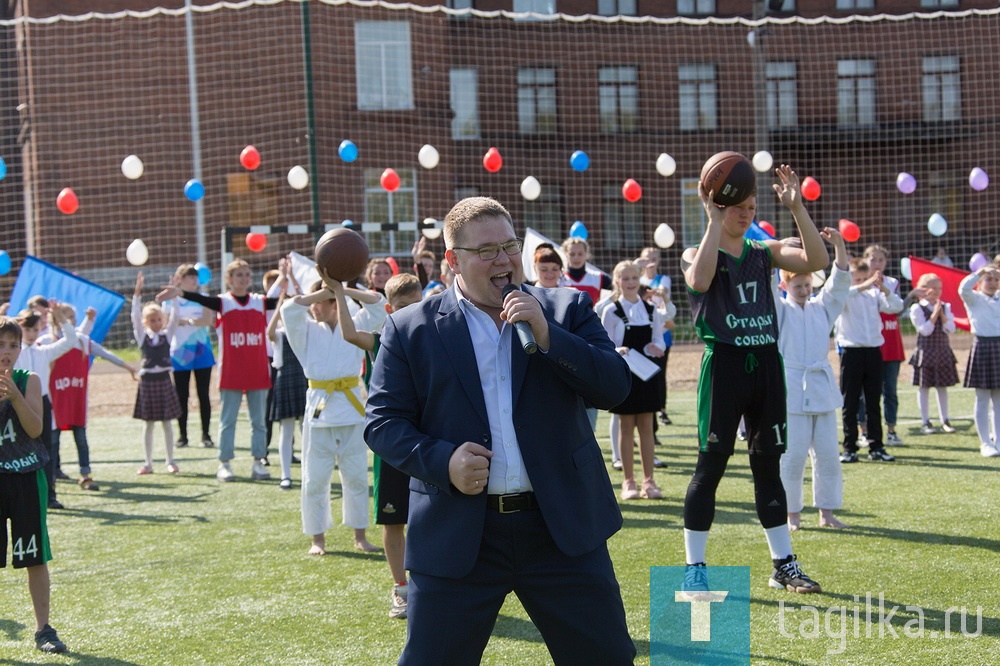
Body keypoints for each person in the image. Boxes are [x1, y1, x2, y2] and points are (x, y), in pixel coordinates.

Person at [365, 196, 636, 664]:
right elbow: (383, 423)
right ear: (452, 261)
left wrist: (549, 337)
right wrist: (443, 461)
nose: (503, 259)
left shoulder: (566, 308)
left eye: (509, 245)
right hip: (459, 533)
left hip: (561, 529)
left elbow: (614, 387)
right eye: (485, 250)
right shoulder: (411, 329)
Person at [680, 163, 827, 595]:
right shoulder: (698, 250)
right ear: (716, 206)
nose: (745, 214)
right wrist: (710, 221)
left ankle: (784, 565)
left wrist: (797, 208)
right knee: (710, 468)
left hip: (765, 363)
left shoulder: (764, 251)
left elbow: (817, 261)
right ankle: (695, 569)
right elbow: (700, 279)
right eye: (736, 208)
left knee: (768, 468)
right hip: (723, 364)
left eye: (750, 206)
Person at [333, 272, 423, 619]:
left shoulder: (437, 337)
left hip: (429, 439)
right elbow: (348, 333)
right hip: (392, 443)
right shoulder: (381, 339)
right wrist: (340, 292)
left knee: (435, 516)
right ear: (389, 308)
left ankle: (430, 585)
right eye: (402, 307)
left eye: (416, 305)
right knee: (393, 519)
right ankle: (401, 589)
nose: (410, 312)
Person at [282, 278, 387, 555]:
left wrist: (341, 290)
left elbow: (378, 305)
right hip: (319, 409)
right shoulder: (304, 330)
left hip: (352, 408)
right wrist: (318, 292)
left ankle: (360, 536)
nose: (314, 307)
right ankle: (317, 539)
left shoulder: (353, 322)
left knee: (355, 477)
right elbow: (288, 309)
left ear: (333, 304)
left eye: (320, 302)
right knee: (315, 477)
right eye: (314, 301)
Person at [157, 260, 280, 482]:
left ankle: (258, 461)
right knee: (228, 420)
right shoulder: (223, 303)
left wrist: (290, 280)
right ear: (229, 279)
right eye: (239, 275)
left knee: (259, 421)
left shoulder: (259, 302)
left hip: (257, 370)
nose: (244, 278)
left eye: (247, 274)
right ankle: (224, 463)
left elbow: (282, 301)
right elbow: (200, 299)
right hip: (231, 371)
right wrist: (180, 292)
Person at [774, 229, 851, 531]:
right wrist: (773, 252)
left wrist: (840, 247)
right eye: (798, 285)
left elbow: (840, 283)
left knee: (829, 455)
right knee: (792, 457)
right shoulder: (779, 309)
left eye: (808, 284)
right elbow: (767, 285)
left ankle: (827, 513)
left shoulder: (823, 308)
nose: (804, 289)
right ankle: (791, 515)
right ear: (785, 284)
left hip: (821, 387)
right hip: (792, 388)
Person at [0, 316, 68, 654]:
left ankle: (44, 629)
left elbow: (35, 428)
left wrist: (14, 397)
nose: (7, 352)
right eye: (1, 345)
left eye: (13, 345)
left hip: (27, 477)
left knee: (34, 556)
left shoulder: (30, 380)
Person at [48, 303, 136, 490]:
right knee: (53, 441)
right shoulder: (48, 343)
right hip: (55, 401)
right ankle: (51, 479)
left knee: (81, 438)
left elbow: (105, 353)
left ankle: (85, 475)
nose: (70, 320)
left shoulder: (82, 341)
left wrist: (127, 366)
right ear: (56, 319)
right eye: (66, 316)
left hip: (77, 401)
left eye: (72, 316)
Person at [602, 260, 666, 500]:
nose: (630, 283)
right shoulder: (611, 311)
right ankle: (628, 482)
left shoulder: (651, 310)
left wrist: (655, 347)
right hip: (625, 375)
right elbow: (604, 343)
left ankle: (649, 481)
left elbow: (659, 339)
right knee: (626, 428)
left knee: (647, 428)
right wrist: (617, 351)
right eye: (625, 279)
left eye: (634, 278)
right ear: (617, 282)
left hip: (647, 375)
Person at [835, 257, 904, 463]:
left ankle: (877, 447)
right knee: (850, 402)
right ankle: (850, 448)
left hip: (873, 352)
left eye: (865, 278)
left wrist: (883, 288)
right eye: (857, 279)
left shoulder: (874, 295)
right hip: (851, 352)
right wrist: (863, 285)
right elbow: (842, 295)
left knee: (874, 401)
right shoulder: (845, 295)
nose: (863, 282)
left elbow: (896, 305)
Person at [14, 306, 77, 510]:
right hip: (18, 403)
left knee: (46, 449)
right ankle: (20, 495)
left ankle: (49, 494)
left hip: (42, 403)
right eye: (27, 329)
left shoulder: (44, 352)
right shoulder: (15, 352)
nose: (31, 334)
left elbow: (71, 340)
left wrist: (59, 317)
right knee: (18, 449)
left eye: (35, 329)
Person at [131, 273, 182, 475]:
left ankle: (170, 460)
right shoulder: (143, 337)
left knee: (167, 423)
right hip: (148, 381)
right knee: (149, 424)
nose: (157, 323)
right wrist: (137, 293)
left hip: (163, 379)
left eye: (159, 319)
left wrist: (174, 295)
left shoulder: (166, 335)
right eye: (152, 320)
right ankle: (148, 463)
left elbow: (176, 316)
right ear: (146, 322)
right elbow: (135, 316)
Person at [861, 245, 912, 446]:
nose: (877, 263)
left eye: (881, 260)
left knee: (890, 390)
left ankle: (891, 429)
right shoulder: (859, 282)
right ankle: (864, 430)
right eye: (873, 259)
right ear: (865, 260)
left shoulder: (892, 283)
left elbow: (896, 308)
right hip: (868, 343)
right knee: (867, 393)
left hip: (890, 344)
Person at [162, 264, 216, 449]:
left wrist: (188, 321)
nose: (194, 280)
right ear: (180, 279)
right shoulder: (169, 301)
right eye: (190, 277)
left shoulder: (203, 299)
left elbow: (208, 320)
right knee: (181, 395)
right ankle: (183, 435)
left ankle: (206, 434)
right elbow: (166, 322)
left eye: (195, 277)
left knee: (203, 394)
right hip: (179, 353)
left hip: (202, 351)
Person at [265, 259, 306, 490]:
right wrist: (281, 301)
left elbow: (303, 305)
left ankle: (308, 469)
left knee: (305, 429)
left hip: (302, 380)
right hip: (284, 379)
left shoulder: (305, 330)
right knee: (286, 430)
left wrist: (292, 279)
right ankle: (285, 474)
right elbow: (269, 331)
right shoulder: (280, 333)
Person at [908, 272, 959, 435]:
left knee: (942, 386)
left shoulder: (946, 307)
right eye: (933, 288)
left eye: (940, 288)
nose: (937, 291)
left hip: (942, 351)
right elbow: (925, 330)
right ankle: (925, 421)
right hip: (926, 352)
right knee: (924, 387)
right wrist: (935, 314)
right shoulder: (917, 308)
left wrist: (942, 314)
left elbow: (950, 328)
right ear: (924, 289)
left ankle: (945, 419)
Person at [959, 265, 1000, 456]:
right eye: (988, 279)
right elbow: (963, 288)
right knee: (982, 398)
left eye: (995, 279)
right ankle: (985, 443)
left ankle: (998, 441)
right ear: (981, 282)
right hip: (983, 347)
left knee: (998, 400)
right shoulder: (974, 298)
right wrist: (979, 272)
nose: (992, 283)